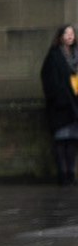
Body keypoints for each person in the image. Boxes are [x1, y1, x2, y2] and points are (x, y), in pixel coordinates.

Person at [40, 25, 78, 185]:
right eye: (67, 33)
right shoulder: (54, 56)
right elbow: (48, 78)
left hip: (75, 103)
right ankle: (62, 175)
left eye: (72, 33)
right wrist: (60, 95)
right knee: (61, 139)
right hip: (61, 104)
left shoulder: (76, 55)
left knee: (73, 140)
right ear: (60, 36)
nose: (70, 36)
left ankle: (70, 173)